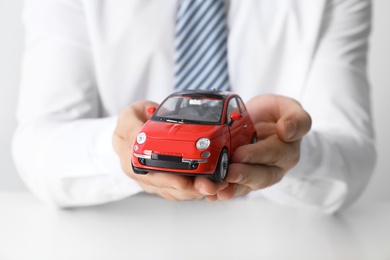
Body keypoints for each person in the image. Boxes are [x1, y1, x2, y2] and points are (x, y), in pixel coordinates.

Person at [12, 0, 376, 213]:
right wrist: (118, 146)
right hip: (118, 229)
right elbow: (36, 143)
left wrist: (292, 151)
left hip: (272, 234)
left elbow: (354, 159)